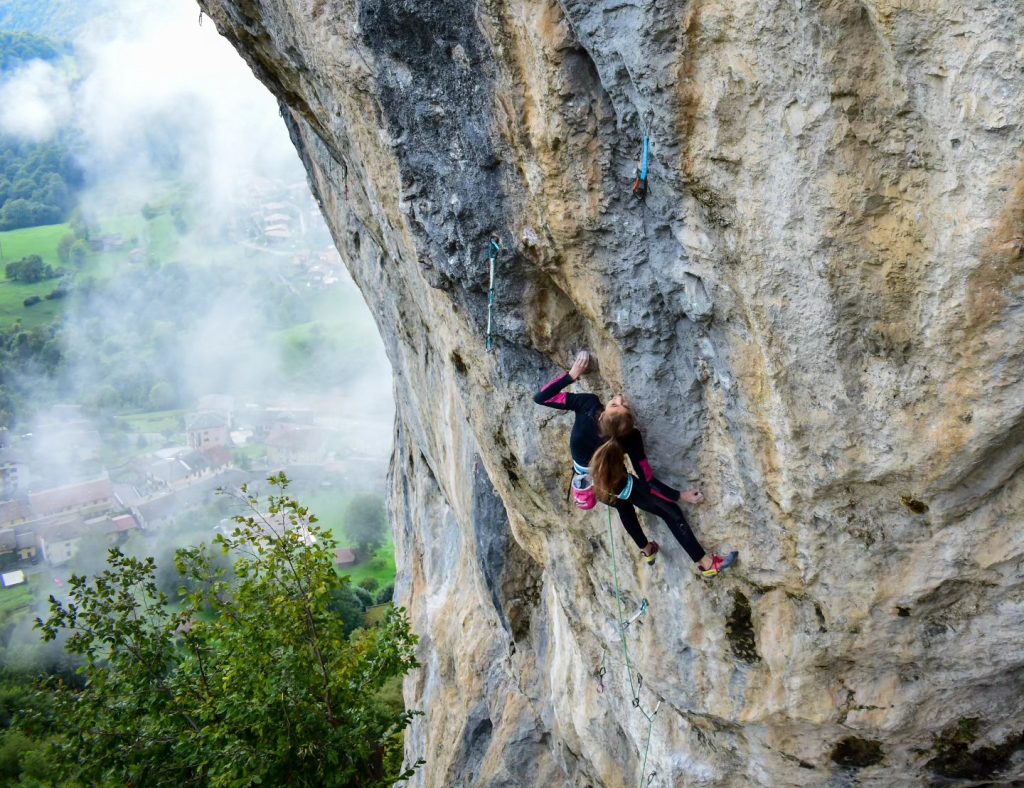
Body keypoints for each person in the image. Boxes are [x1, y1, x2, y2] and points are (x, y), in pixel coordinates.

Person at [534, 350, 738, 577]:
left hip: (591, 483)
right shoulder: (631, 437)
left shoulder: (587, 405)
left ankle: (647, 549)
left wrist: (572, 375)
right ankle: (706, 563)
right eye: (620, 404)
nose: (620, 398)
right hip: (617, 483)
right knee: (670, 512)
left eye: (618, 404)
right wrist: (679, 496)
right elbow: (648, 479)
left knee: (623, 506)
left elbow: (541, 397)